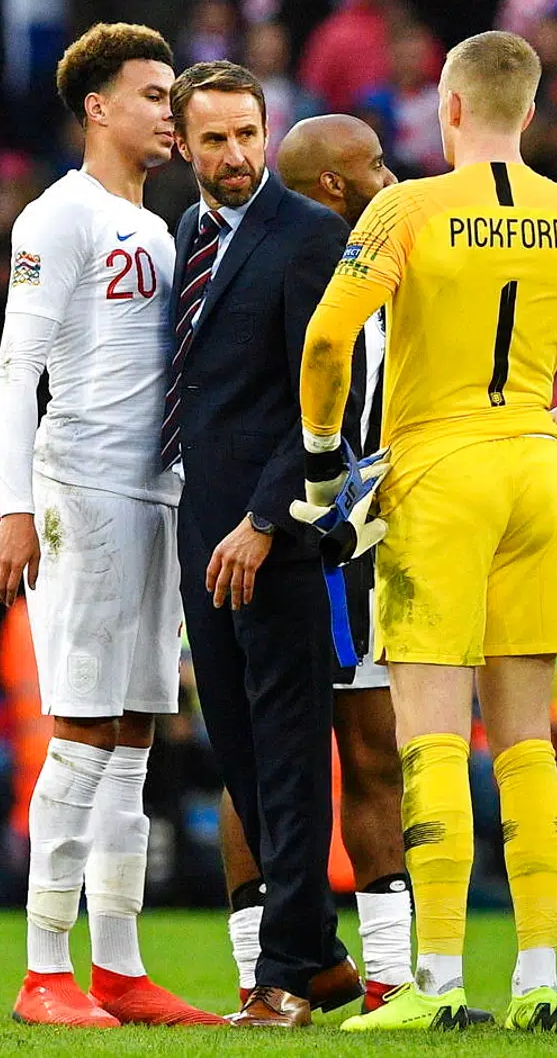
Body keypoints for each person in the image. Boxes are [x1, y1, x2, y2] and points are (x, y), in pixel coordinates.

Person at [296, 30, 557, 1033]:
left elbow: (325, 336)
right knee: (527, 744)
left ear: (447, 106)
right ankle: (538, 978)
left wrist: (319, 471)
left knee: (432, 730)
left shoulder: (406, 208)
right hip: (534, 466)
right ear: (528, 111)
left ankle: (434, 983)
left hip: (439, 471)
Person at [0, 22, 220, 1029]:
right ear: (99, 108)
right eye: (155, 94)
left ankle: (118, 967)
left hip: (153, 495)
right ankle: (45, 972)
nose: (171, 112)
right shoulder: (59, 216)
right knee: (82, 729)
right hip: (80, 493)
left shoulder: (158, 229)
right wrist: (16, 507)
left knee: (133, 736)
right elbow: (12, 366)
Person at [163, 62, 355, 1029]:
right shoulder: (182, 239)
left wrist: (268, 519)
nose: (235, 156)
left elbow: (329, 401)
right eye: (214, 140)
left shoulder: (310, 237)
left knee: (284, 749)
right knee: (237, 748)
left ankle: (285, 975)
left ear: (265, 133)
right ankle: (319, 956)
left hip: (271, 533)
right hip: (201, 527)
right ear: (183, 146)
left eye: (247, 136)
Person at [209, 112, 413, 1012]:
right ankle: (265, 972)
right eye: (373, 164)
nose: (391, 175)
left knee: (371, 752)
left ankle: (390, 977)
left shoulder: (397, 262)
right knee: (262, 755)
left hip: (366, 535)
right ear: (333, 184)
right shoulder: (299, 262)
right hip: (307, 533)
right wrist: (273, 517)